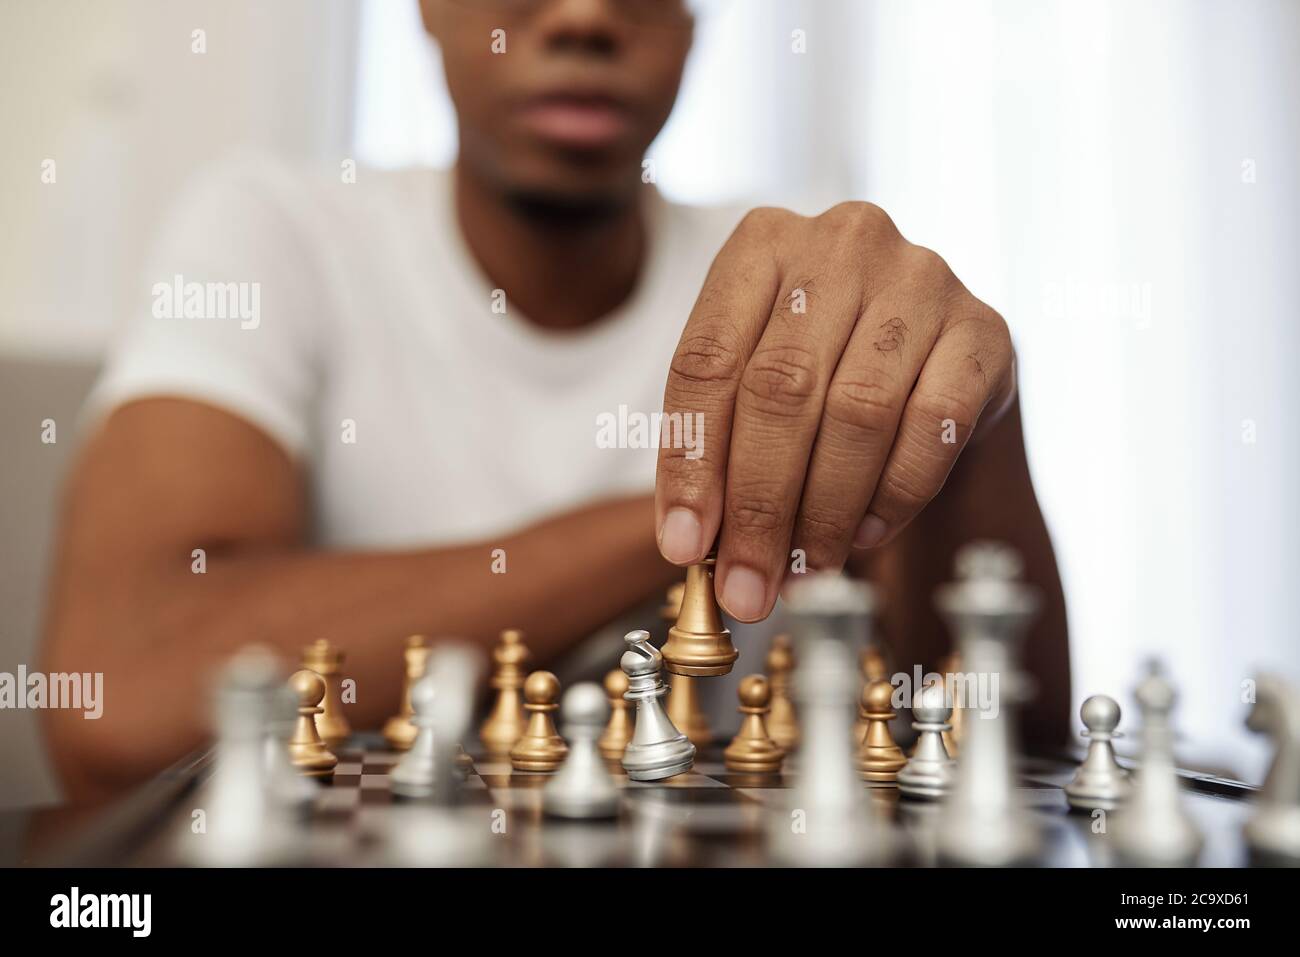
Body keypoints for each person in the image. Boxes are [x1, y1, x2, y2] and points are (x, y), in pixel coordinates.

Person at [41, 0, 1068, 800]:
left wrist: (976, 423)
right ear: (426, 9)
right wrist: (697, 516)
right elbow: (116, 699)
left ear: (694, 25)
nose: (582, 15)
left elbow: (1017, 759)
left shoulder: (803, 293)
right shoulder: (269, 232)